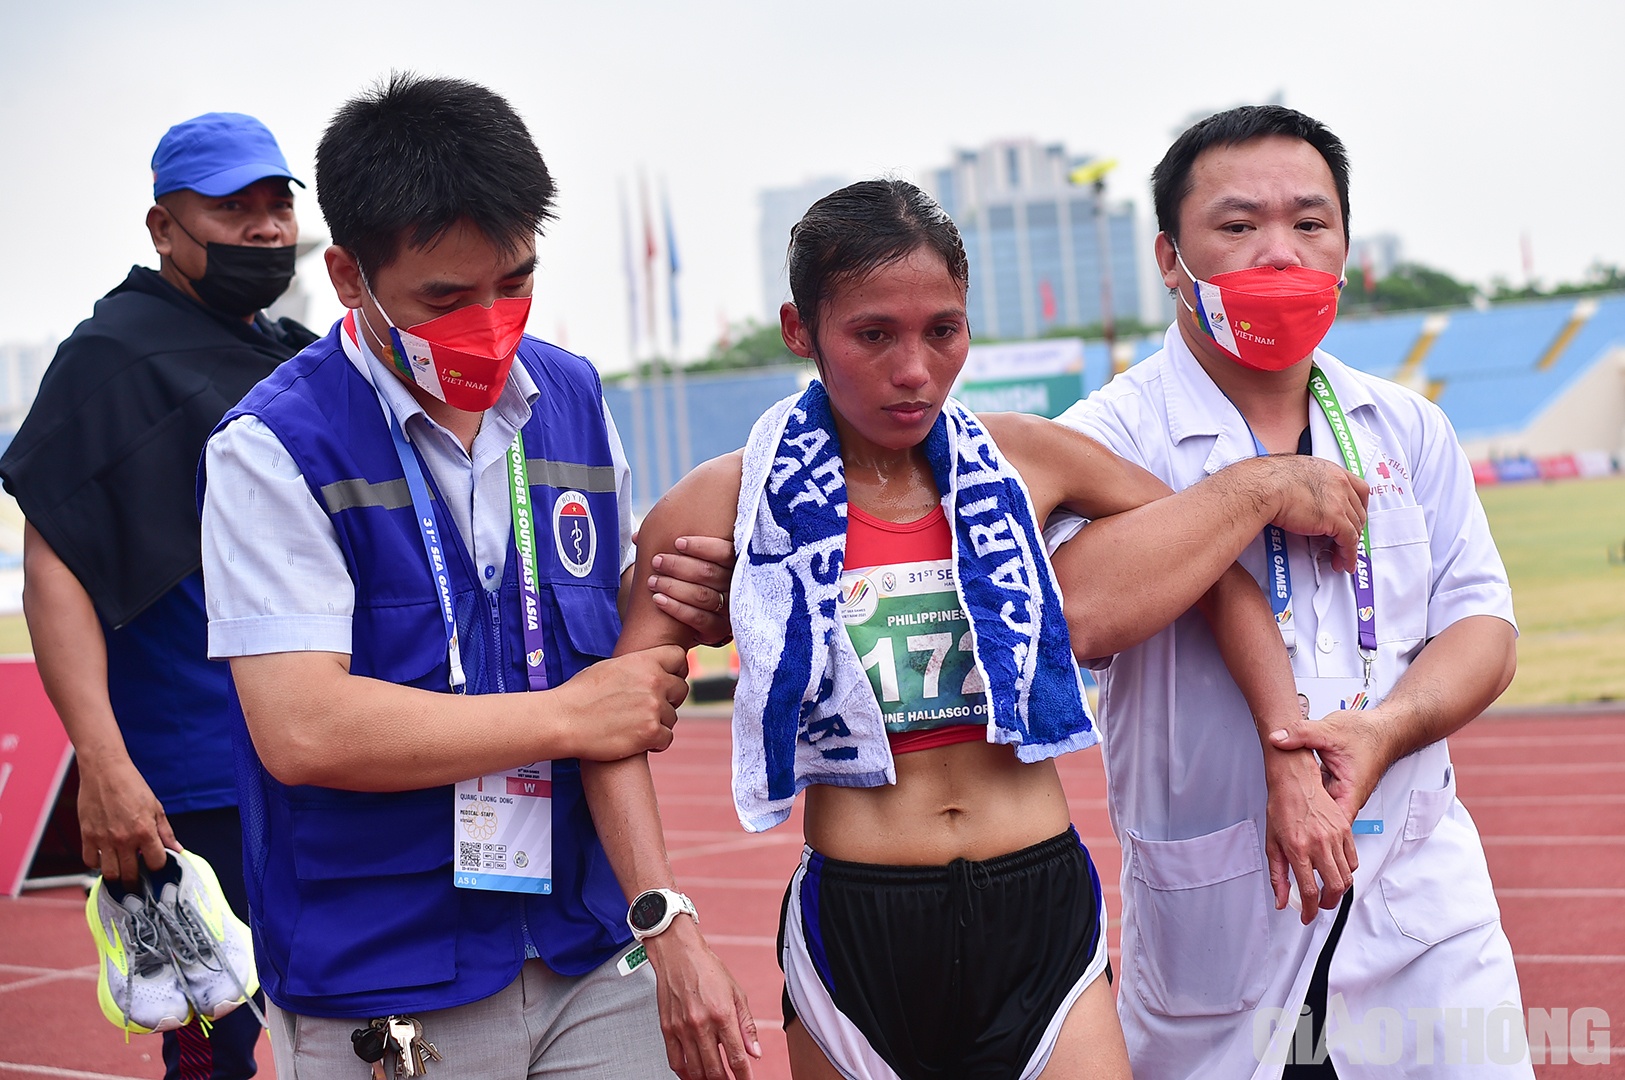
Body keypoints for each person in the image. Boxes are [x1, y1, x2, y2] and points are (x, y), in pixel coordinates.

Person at [622, 179, 1373, 1080]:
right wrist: (666, 923)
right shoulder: (726, 505)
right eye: (872, 335)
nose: (914, 370)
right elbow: (610, 723)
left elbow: (1219, 577)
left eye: (942, 330)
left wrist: (1285, 751)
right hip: (857, 930)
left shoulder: (1027, 459)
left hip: (1039, 913)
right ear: (799, 330)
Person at [196, 75, 748, 1080]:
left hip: (588, 948)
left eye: (515, 283)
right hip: (386, 975)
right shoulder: (273, 449)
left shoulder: (573, 399)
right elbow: (302, 726)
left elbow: (612, 657)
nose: (490, 325)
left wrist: (677, 606)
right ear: (349, 277)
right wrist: (570, 715)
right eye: (445, 300)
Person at [1050, 105, 1528, 1077]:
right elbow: (1078, 614)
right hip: (1219, 934)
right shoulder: (1106, 435)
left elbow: (1482, 624)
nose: (1278, 252)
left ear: (1344, 244)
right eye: (1236, 225)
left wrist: (1384, 729)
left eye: (1308, 223)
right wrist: (1253, 491)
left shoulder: (1403, 427)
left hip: (1418, 925)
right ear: (1169, 257)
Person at [1, 111, 318, 1078]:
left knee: (363, 1019)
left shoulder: (296, 352)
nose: (263, 229)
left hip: (322, 742)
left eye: (276, 206)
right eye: (230, 208)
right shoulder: (112, 357)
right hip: (191, 767)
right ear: (163, 227)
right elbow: (57, 568)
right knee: (215, 1041)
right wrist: (104, 765)